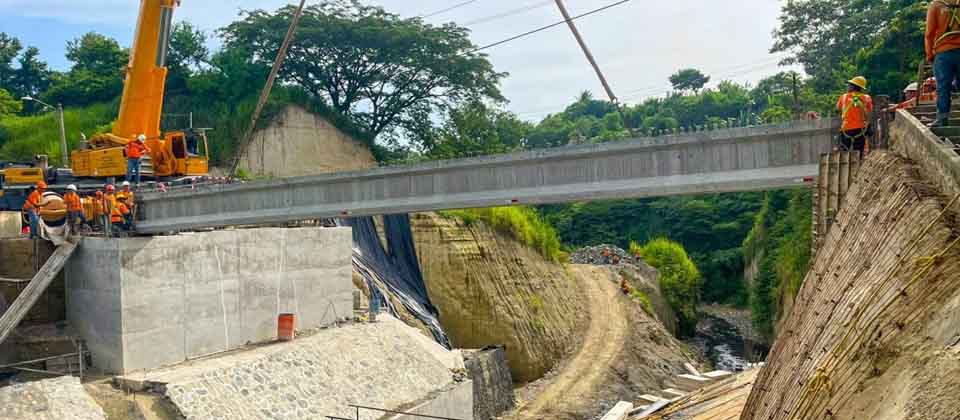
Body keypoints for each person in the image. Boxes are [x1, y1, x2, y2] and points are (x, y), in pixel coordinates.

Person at [927, 0, 960, 127]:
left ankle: (942, 118)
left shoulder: (936, 5)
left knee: (943, 87)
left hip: (943, 52)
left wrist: (930, 55)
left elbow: (929, 34)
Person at [836, 76, 874, 152]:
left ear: (853, 86)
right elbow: (869, 112)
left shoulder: (843, 97)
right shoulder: (867, 98)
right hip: (861, 129)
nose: (848, 86)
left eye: (849, 84)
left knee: (844, 152)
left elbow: (838, 109)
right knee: (859, 152)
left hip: (846, 129)